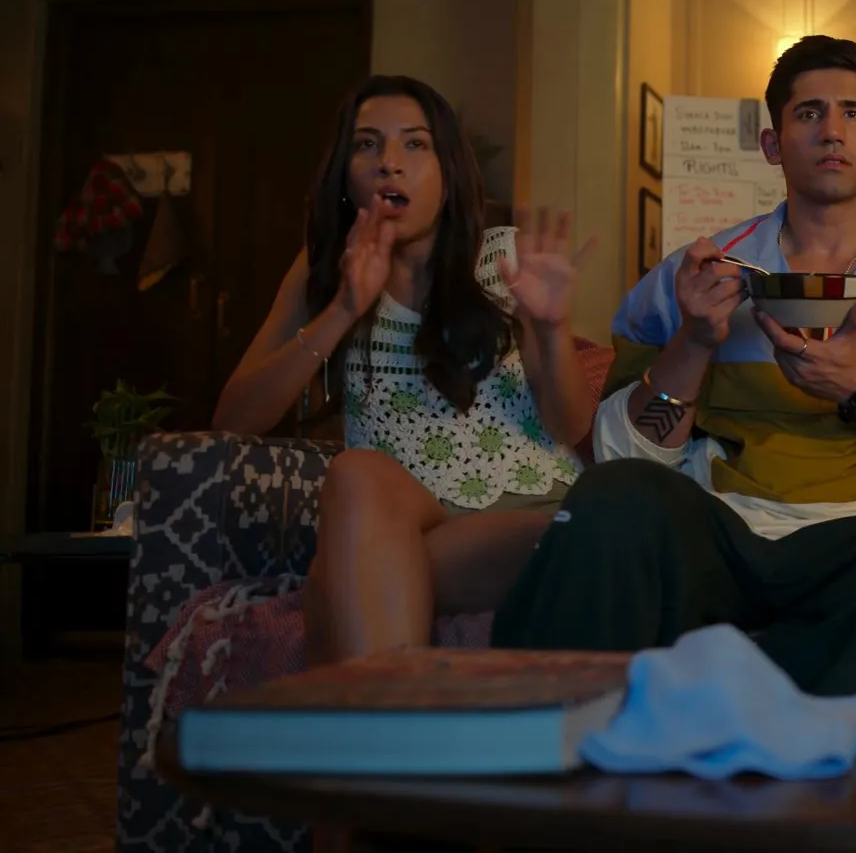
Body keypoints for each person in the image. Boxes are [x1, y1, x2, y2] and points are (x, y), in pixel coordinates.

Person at [488, 35, 856, 698]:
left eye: (852, 112)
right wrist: (694, 341)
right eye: (808, 113)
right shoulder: (696, 273)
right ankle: (536, 735)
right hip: (723, 527)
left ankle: (770, 722)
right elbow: (622, 456)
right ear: (773, 145)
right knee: (612, 499)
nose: (831, 130)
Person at [212, 75, 597, 665]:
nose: (389, 162)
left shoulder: (505, 256)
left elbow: (571, 426)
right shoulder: (323, 270)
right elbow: (233, 419)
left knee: (344, 579)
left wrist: (550, 329)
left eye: (415, 144)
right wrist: (343, 310)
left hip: (530, 514)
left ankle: (350, 621)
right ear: (345, 176)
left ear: (448, 172)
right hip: (405, 516)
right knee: (356, 471)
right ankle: (387, 694)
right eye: (367, 144)